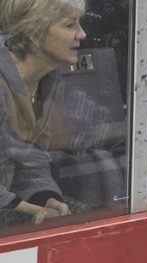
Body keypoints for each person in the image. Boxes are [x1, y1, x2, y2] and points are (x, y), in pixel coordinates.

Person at [0, 0, 85, 226]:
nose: (82, 34)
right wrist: (32, 209)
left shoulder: (46, 81)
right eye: (70, 25)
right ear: (34, 31)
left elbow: (30, 157)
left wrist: (46, 198)